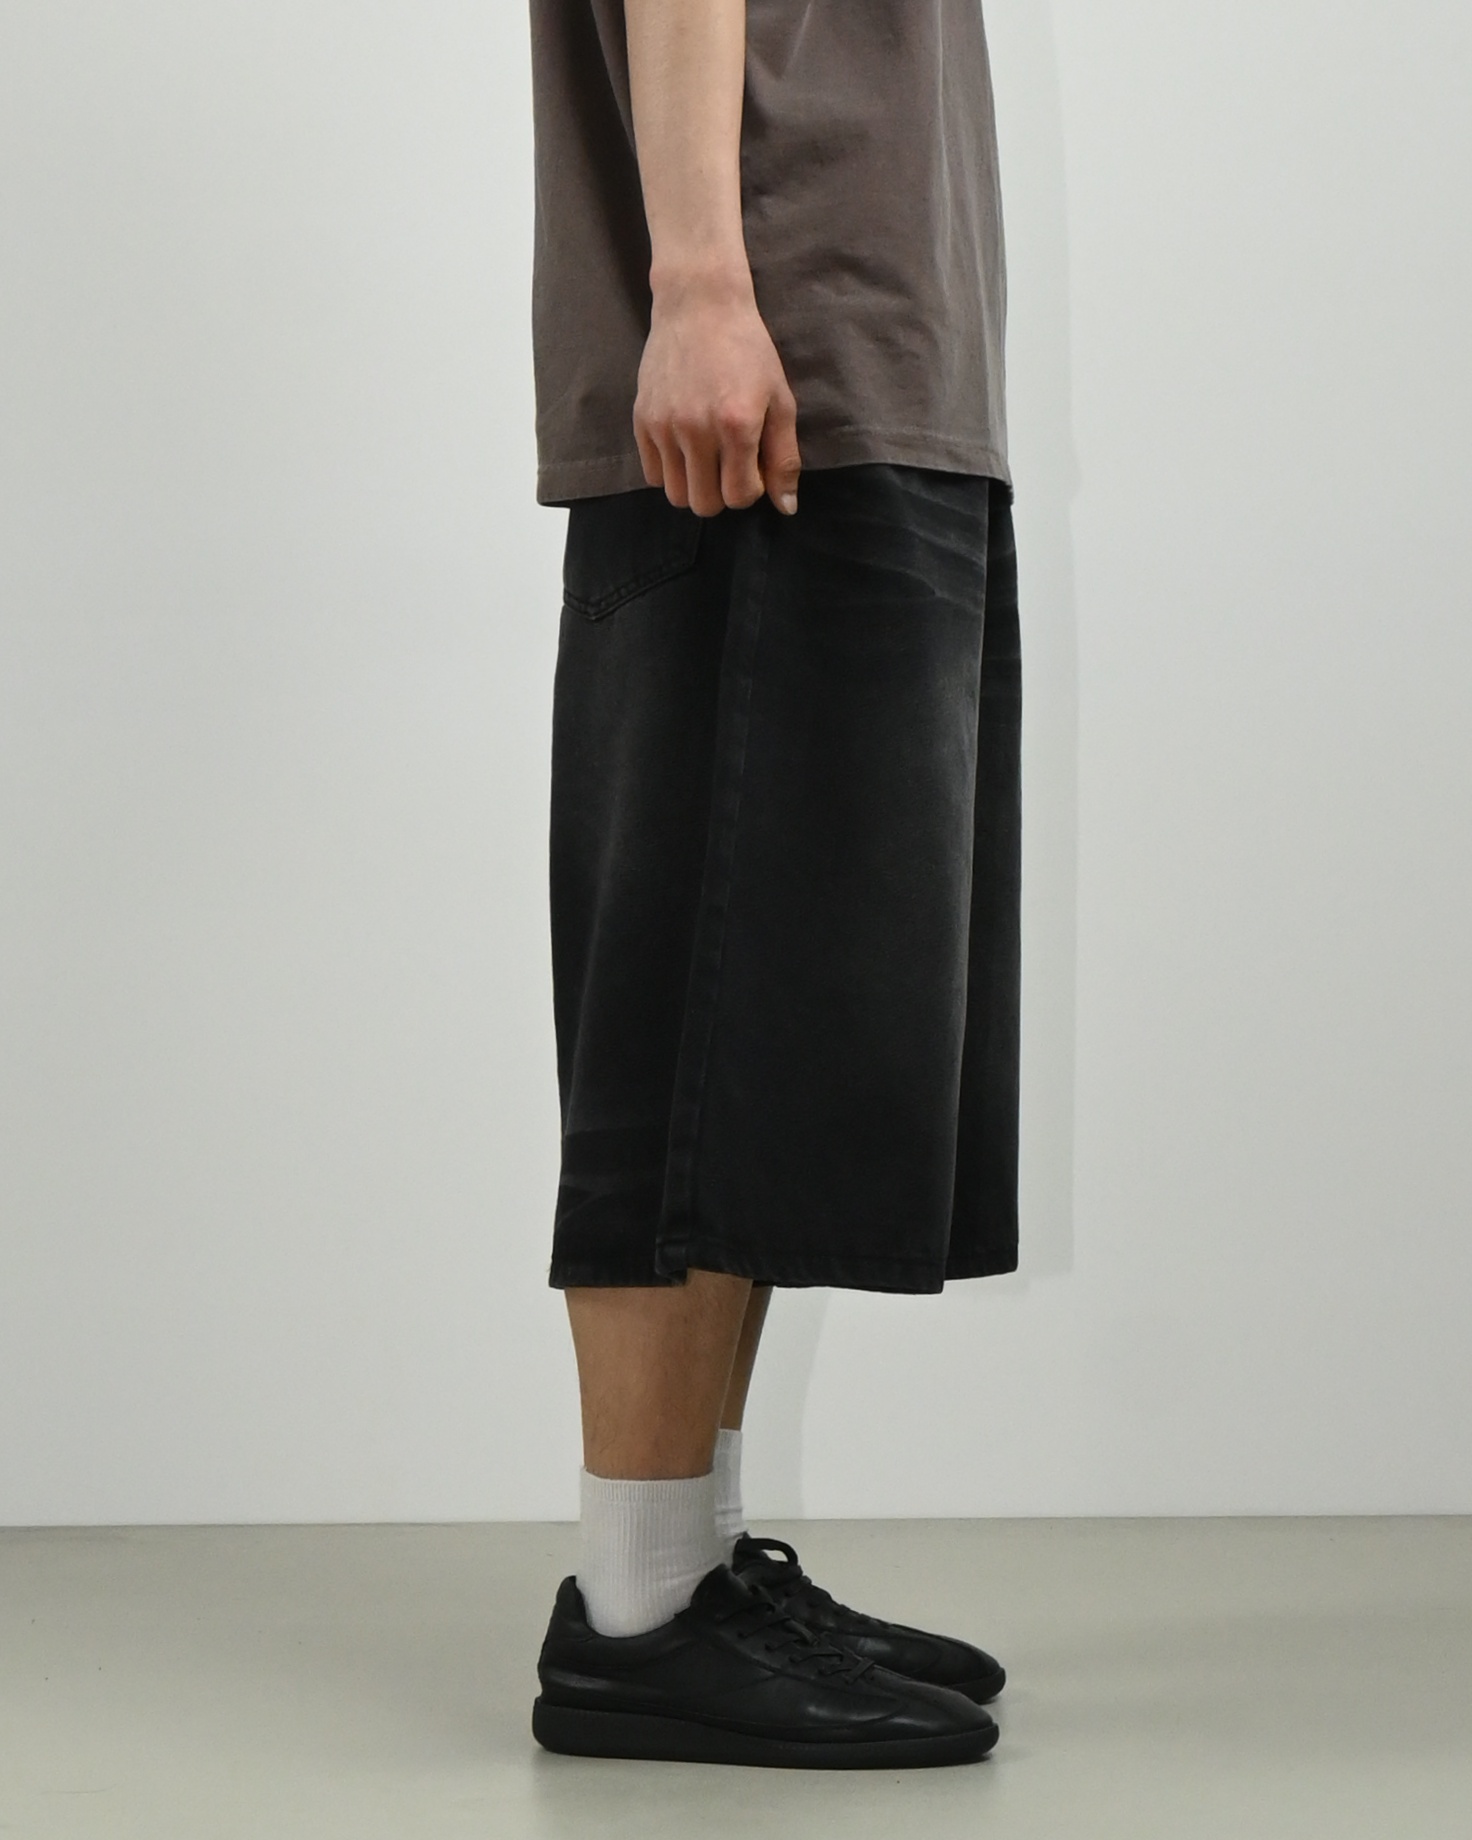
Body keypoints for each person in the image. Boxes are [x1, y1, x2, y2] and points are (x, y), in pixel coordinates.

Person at [526, 0, 1021, 1769]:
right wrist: (701, 287)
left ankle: (693, 1567)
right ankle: (637, 1619)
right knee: (685, 1006)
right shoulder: (738, 320)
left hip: (866, 357)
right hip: (778, 354)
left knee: (775, 1020)